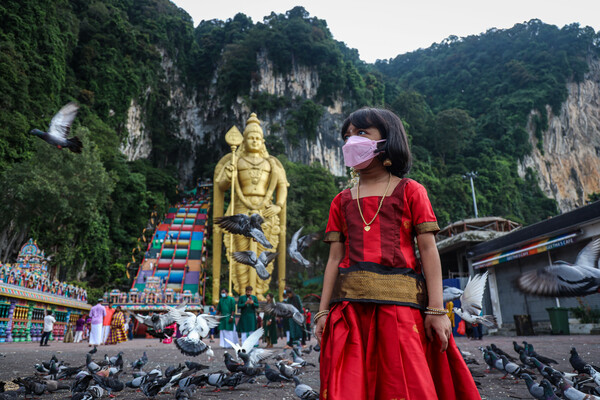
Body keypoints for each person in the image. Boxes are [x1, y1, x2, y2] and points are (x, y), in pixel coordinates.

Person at [315, 108, 480, 399]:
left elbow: (429, 252)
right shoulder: (340, 201)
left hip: (401, 312)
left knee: (405, 386)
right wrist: (323, 311)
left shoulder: (411, 191)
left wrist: (437, 310)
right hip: (349, 311)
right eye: (347, 136)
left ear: (387, 140)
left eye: (362, 133)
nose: (351, 141)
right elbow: (333, 260)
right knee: (349, 389)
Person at [213, 113, 288, 301]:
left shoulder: (271, 163)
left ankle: (260, 291)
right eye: (250, 138)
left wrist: (278, 206)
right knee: (241, 254)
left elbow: (282, 186)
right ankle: (241, 291)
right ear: (244, 141)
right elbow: (221, 185)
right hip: (241, 208)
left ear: (262, 141)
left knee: (264, 253)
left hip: (266, 212)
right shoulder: (235, 161)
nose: (254, 141)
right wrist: (229, 175)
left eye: (257, 138)